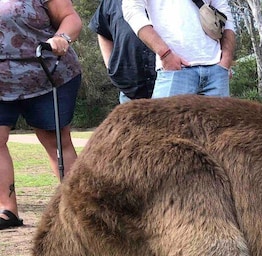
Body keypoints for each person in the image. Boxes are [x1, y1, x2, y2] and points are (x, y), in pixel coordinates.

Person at [0, 0, 82, 230]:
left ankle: (80, 207)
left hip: (46, 74)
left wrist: (61, 38)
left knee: (55, 139)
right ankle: (7, 210)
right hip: (1, 82)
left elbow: (71, 18)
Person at [122, 0, 236, 98]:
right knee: (163, 123)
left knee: (219, 124)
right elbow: (132, 9)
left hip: (216, 71)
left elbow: (224, 11)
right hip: (175, 70)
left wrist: (226, 59)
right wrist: (165, 54)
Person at [89, 0, 156, 103]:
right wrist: (110, 66)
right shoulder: (112, 2)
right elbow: (102, 31)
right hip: (130, 90)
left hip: (171, 85)